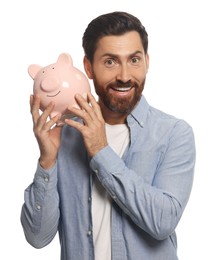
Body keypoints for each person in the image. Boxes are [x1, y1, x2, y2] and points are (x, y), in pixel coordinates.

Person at [21, 11, 196, 260]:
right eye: (110, 62)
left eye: (134, 60)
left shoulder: (174, 134)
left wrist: (100, 151)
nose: (124, 76)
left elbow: (163, 222)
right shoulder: (65, 135)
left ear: (147, 61)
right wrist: (47, 161)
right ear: (88, 67)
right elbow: (37, 237)